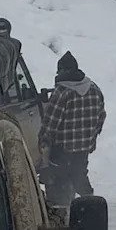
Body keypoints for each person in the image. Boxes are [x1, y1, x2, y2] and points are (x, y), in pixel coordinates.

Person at [39, 51, 106, 206]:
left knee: (58, 182)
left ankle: (61, 214)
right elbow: (101, 116)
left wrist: (43, 143)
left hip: (61, 150)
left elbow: (50, 123)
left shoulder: (62, 92)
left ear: (62, 71)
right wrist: (91, 138)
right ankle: (89, 208)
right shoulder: (94, 89)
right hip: (83, 149)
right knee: (79, 177)